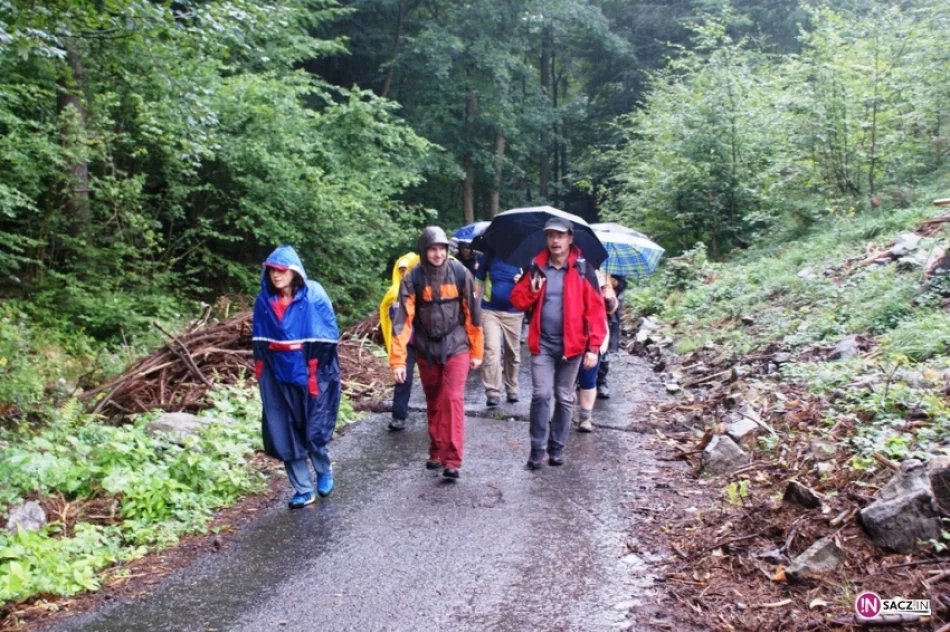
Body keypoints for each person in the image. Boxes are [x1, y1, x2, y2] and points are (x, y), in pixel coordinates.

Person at [510, 217, 607, 469]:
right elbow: (517, 302)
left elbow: (596, 311)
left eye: (560, 235)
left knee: (564, 397)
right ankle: (537, 449)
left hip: (573, 346)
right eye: (551, 235)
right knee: (541, 394)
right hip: (542, 343)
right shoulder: (536, 266)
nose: (555, 240)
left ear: (570, 239)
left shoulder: (583, 270)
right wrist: (531, 289)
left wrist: (594, 347)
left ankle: (557, 447)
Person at [390, 227, 484, 480]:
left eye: (441, 248)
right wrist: (398, 360)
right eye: (432, 249)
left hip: (457, 345)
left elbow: (473, 314)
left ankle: (452, 459)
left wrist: (477, 350)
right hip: (426, 348)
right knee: (433, 399)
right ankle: (436, 449)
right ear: (424, 251)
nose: (438, 253)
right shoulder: (413, 278)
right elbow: (401, 321)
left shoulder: (459, 272)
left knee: (452, 398)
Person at [252, 245, 341, 509]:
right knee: (283, 430)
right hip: (277, 375)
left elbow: (326, 342)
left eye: (281, 270)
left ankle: (323, 469)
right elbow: (260, 342)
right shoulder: (264, 302)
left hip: (309, 373)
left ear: (294, 271)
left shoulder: (313, 296)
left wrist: (317, 377)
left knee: (312, 429)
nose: (276, 276)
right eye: (271, 271)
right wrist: (263, 376)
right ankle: (303, 488)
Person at [474, 249, 524, 406]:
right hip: (490, 311)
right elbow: (479, 280)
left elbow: (533, 283)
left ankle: (512, 389)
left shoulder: (523, 256)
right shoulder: (488, 255)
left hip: (514, 312)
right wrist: (473, 307)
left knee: (513, 352)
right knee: (492, 349)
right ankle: (492, 391)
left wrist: (523, 281)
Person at [379, 253, 420, 431]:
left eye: (408, 269)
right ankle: (398, 416)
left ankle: (438, 415)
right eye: (401, 270)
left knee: (434, 380)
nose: (405, 273)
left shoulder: (423, 288)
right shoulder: (393, 293)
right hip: (406, 343)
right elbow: (388, 315)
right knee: (404, 379)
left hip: (427, 342)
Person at [575, 269, 619, 432]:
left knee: (588, 377)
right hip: (570, 332)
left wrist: (608, 296)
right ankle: (562, 412)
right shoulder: (569, 271)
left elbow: (612, 308)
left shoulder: (602, 276)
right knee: (565, 379)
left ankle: (585, 417)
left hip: (595, 333)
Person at [596, 275, 628, 399]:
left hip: (607, 310)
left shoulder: (614, 262)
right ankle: (581, 379)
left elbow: (622, 284)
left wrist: (613, 284)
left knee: (604, 349)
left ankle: (601, 382)